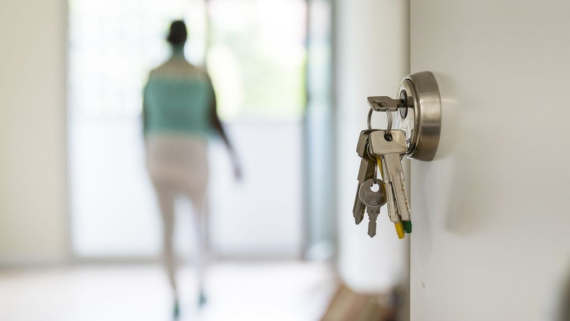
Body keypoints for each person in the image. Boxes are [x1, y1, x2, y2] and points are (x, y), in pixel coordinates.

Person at [142, 20, 241, 318]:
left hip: (158, 153)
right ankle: (199, 288)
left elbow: (144, 120)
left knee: (167, 229)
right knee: (199, 226)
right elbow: (214, 118)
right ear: (186, 40)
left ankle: (173, 294)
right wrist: (235, 156)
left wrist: (145, 153)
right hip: (193, 155)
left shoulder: (153, 76)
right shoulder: (200, 75)